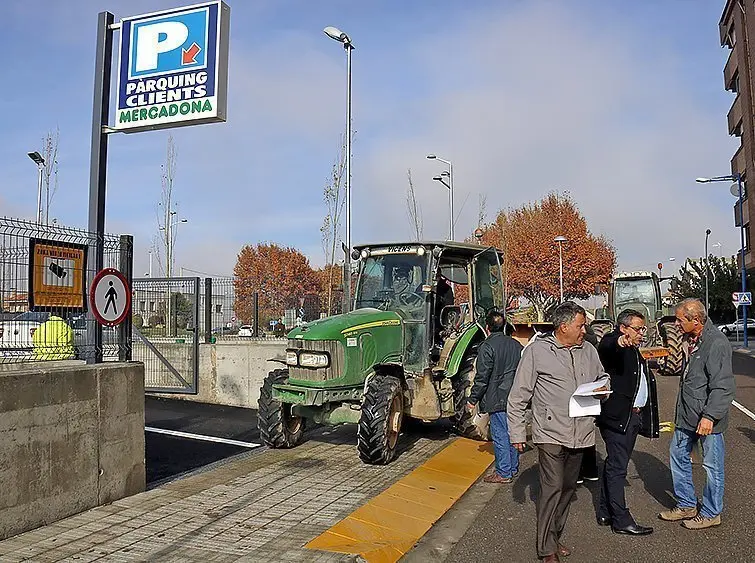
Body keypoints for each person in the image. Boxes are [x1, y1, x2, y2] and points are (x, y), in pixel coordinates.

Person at [508, 302, 608, 563]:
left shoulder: (588, 350)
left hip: (581, 431)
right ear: (563, 327)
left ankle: (554, 536)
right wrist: (517, 433)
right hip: (550, 431)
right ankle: (546, 550)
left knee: (566, 488)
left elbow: (602, 376)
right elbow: (518, 395)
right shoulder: (538, 352)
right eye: (580, 325)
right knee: (552, 488)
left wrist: (603, 387)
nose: (584, 330)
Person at [658, 298, 735, 530]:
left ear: (697, 320)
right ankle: (687, 504)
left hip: (706, 419)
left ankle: (711, 512)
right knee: (677, 456)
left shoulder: (716, 343)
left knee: (712, 466)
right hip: (687, 416)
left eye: (681, 320)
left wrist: (710, 416)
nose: (677, 324)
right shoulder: (691, 340)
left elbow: (723, 386)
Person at [596, 309, 659, 535]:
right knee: (617, 468)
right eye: (638, 329)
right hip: (619, 417)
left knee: (614, 464)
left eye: (643, 328)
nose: (642, 333)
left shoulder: (634, 349)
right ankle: (622, 521)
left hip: (631, 416)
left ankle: (605, 511)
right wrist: (620, 341)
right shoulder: (615, 343)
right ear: (623, 328)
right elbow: (608, 347)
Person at [467, 309, 523, 483]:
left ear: (487, 327)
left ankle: (503, 472)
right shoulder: (516, 345)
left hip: (496, 397)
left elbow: (482, 377)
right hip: (515, 396)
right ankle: (512, 468)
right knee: (513, 433)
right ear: (504, 326)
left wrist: (473, 399)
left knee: (500, 436)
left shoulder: (487, 347)